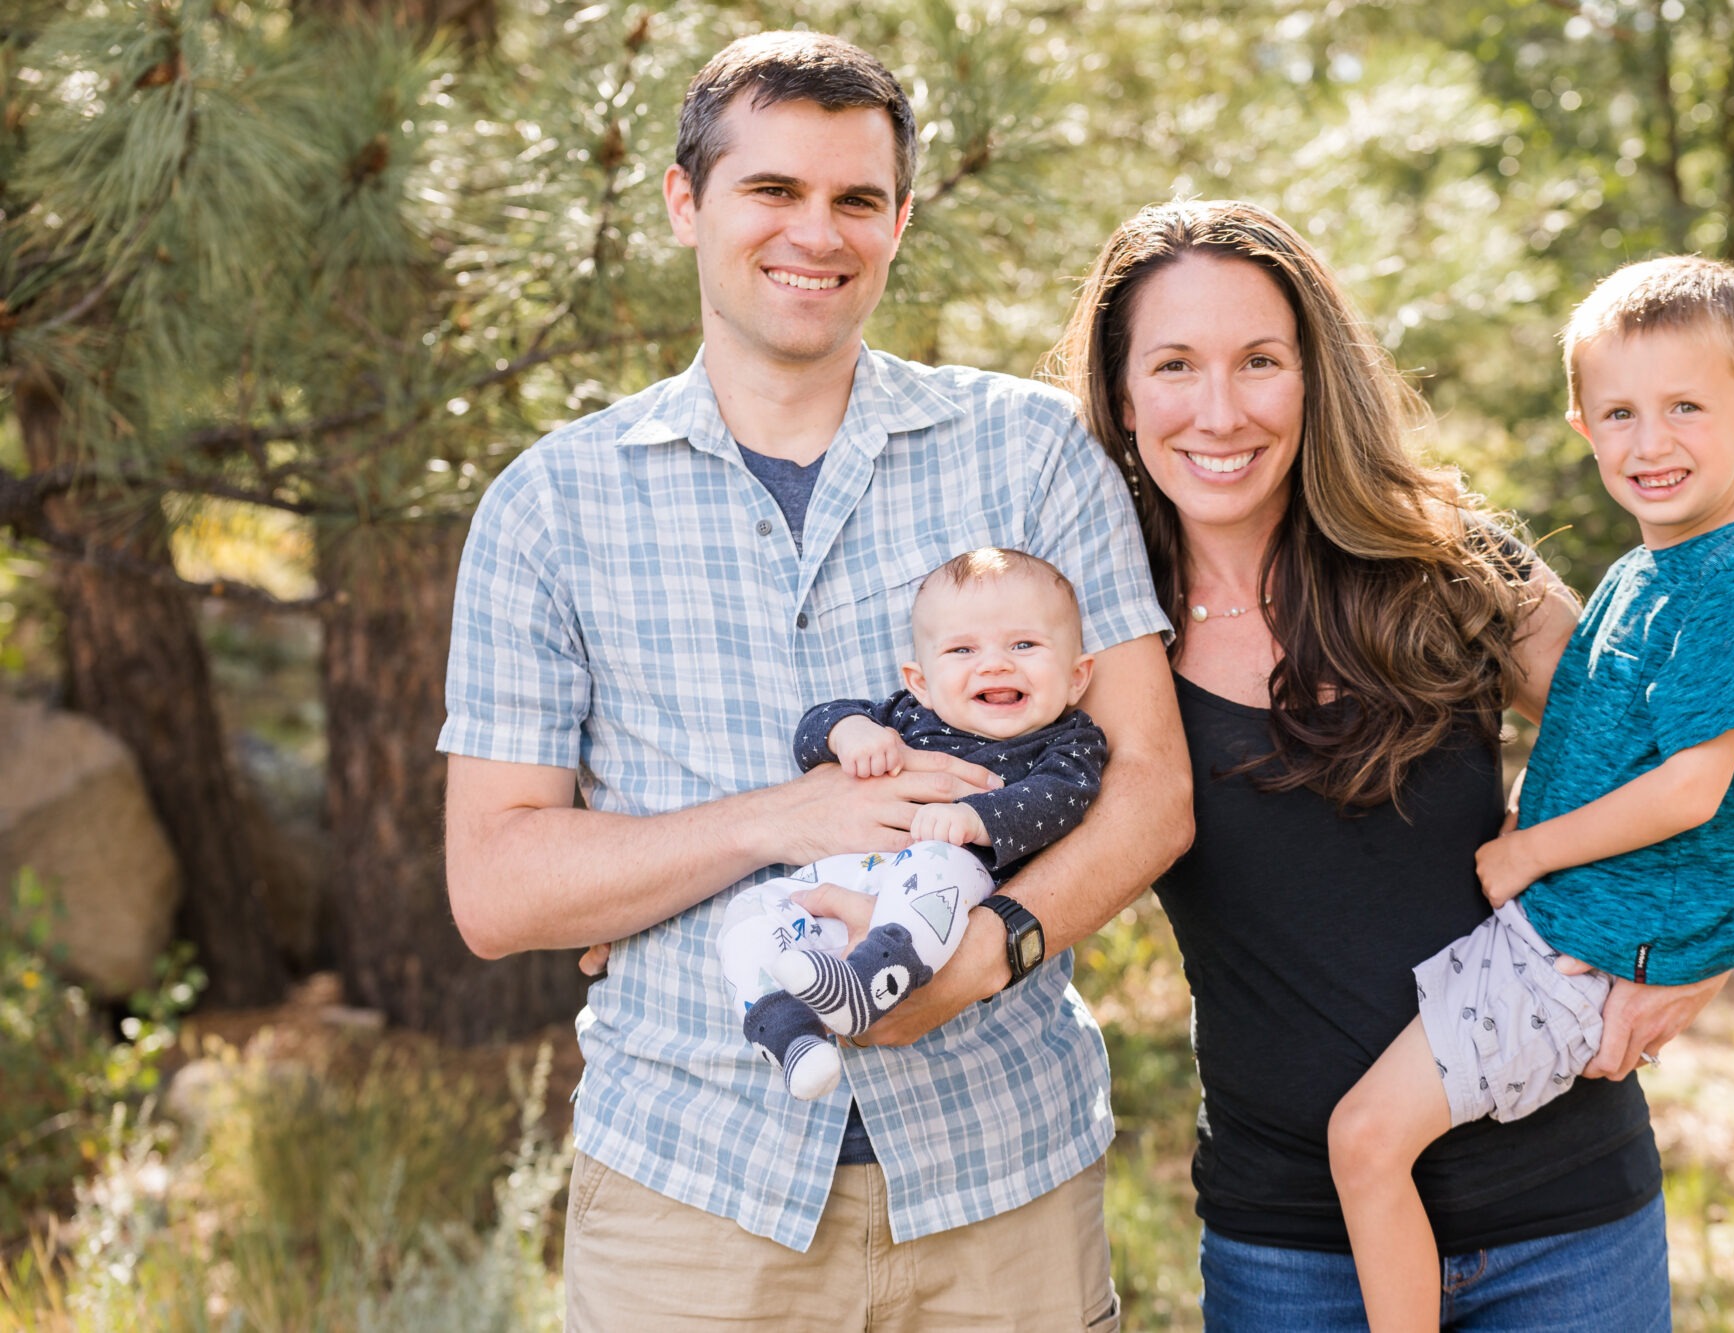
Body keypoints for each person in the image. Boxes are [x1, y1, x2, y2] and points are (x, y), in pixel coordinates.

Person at [440, 31, 1190, 1330]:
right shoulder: (550, 506)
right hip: (691, 1197)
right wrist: (770, 823)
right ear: (686, 202)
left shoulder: (1028, 453)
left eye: (856, 199)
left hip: (1000, 1181)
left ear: (899, 221)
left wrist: (975, 962)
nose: (817, 233)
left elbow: (1154, 790)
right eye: (772, 191)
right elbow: (496, 886)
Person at [1051, 199, 1731, 1331]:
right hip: (1292, 1244)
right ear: (1120, 395)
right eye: (1173, 365)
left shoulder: (1445, 558)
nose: (1218, 411)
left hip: (1561, 1218)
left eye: (1258, 360)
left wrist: (1702, 954)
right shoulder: (1097, 628)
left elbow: (1685, 750)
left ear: (1315, 375)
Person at [1322, 255, 1734, 1329]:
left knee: (1364, 1141)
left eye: (1685, 406)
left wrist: (1525, 850)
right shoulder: (1654, 569)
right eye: (1618, 412)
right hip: (1565, 935)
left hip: (1574, 954)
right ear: (1580, 424)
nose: (1649, 442)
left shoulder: (1733, 576)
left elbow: (1692, 788)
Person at [727, 546, 1106, 1101]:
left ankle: (862, 986)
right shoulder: (906, 714)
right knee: (752, 911)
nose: (996, 663)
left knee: (934, 860)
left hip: (952, 881)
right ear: (921, 680)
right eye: (962, 649)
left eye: (1024, 644)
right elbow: (814, 728)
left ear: (1076, 677)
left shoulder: (1068, 740)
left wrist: (973, 817)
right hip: (856, 872)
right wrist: (849, 732)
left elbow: (1062, 798)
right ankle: (793, 1037)